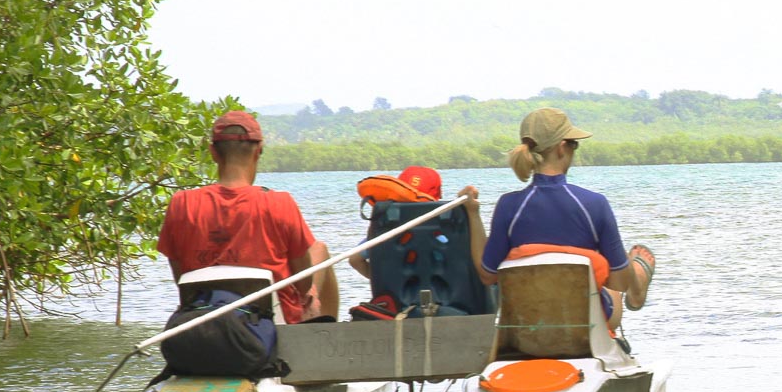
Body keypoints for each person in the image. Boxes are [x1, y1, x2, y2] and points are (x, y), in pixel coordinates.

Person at [156, 110, 337, 323]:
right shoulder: (280, 203)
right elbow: (303, 284)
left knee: (318, 250)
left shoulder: (181, 204)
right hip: (270, 324)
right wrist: (311, 294)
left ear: (213, 153)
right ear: (258, 151)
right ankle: (322, 337)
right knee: (319, 251)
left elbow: (182, 281)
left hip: (203, 320)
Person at [479, 108, 653, 325]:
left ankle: (635, 280)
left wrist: (472, 212)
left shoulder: (508, 206)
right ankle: (637, 284)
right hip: (586, 320)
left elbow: (487, 275)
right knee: (618, 280)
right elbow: (617, 284)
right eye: (574, 144)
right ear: (562, 148)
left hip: (527, 319)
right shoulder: (594, 204)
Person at [347, 166, 485, 280]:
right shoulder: (449, 229)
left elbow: (355, 260)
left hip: (401, 297)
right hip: (451, 294)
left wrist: (382, 281)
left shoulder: (388, 230)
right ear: (438, 195)